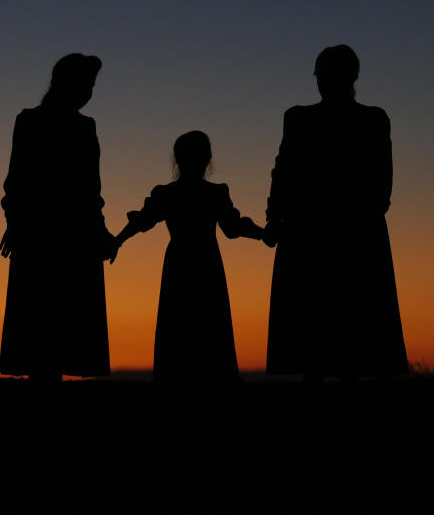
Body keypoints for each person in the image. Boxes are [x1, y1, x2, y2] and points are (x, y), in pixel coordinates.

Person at [263, 44, 408, 381]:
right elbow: (283, 173)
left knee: (342, 334)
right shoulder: (302, 118)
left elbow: (285, 174)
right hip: (334, 235)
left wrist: (278, 218)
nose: (322, 82)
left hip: (328, 235)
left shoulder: (365, 119)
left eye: (326, 75)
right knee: (323, 337)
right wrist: (274, 217)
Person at [0, 53, 116, 381]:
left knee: (55, 337)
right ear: (68, 83)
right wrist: (16, 223)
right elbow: (18, 182)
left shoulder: (76, 126)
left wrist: (100, 230)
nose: (89, 92)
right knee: (46, 336)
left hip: (66, 238)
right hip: (47, 238)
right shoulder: (33, 122)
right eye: (86, 84)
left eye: (92, 85)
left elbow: (90, 190)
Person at [114, 131, 264, 381]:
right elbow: (233, 227)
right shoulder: (215, 194)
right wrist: (264, 234)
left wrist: (117, 241)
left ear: (177, 159)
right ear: (207, 159)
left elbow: (142, 220)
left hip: (178, 266)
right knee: (210, 329)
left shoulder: (167, 194)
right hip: (208, 265)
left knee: (177, 329)